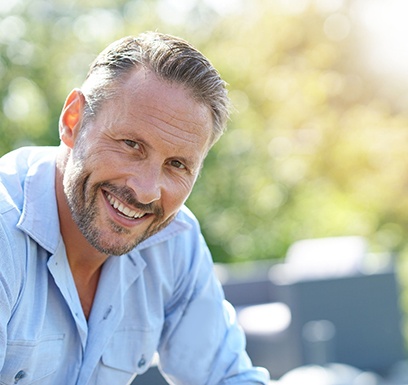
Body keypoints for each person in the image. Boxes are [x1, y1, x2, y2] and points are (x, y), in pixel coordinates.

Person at [0, 32, 270, 385]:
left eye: (176, 165)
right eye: (131, 145)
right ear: (73, 120)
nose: (144, 191)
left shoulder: (174, 242)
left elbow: (227, 377)